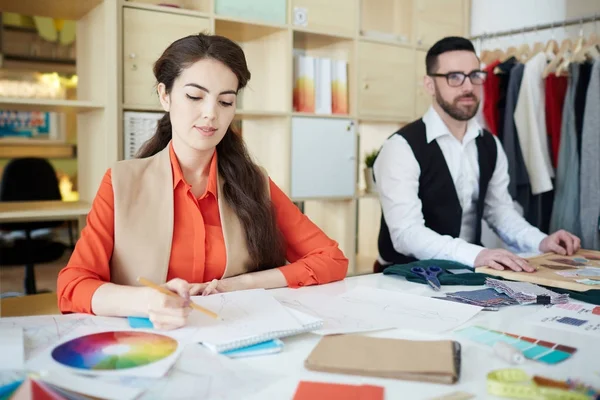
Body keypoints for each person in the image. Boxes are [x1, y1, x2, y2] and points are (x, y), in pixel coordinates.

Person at [57, 33, 348, 329]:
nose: (211, 114)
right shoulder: (121, 182)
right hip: (147, 346)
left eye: (225, 101)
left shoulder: (254, 183)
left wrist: (242, 284)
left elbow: (331, 259)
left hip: (236, 339)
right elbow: (72, 286)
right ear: (164, 95)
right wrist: (148, 302)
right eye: (195, 97)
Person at [373, 36, 580, 274]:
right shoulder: (400, 148)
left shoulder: (490, 144)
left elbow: (500, 211)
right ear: (429, 84)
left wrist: (541, 242)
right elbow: (406, 233)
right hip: (404, 275)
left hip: (467, 271)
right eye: (454, 77)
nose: (468, 86)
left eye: (474, 75)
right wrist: (477, 254)